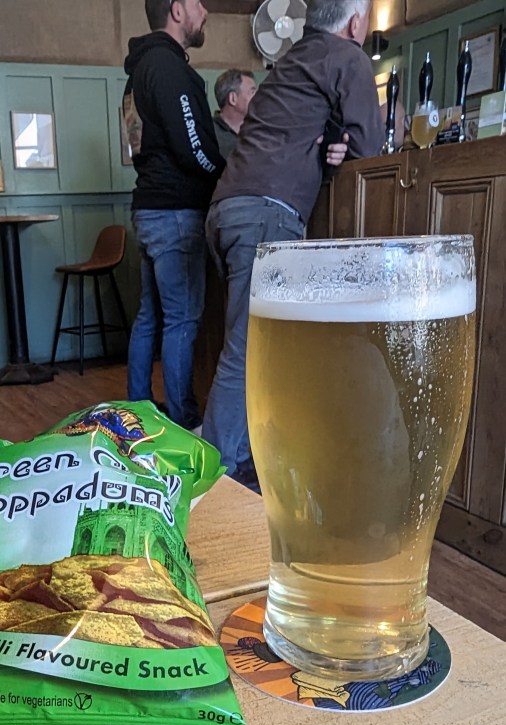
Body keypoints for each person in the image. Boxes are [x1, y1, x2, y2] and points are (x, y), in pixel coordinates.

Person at [202, 0, 384, 486]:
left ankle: (239, 459)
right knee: (247, 349)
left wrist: (334, 144)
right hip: (266, 213)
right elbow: (372, 147)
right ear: (356, 21)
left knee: (250, 345)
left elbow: (304, 132)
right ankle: (215, 480)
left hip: (227, 210)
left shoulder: (289, 62)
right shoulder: (346, 57)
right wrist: (347, 146)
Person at [123, 0, 225, 431]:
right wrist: (225, 175)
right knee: (181, 319)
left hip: (148, 208)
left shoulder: (138, 72)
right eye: (198, 2)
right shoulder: (168, 68)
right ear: (178, 9)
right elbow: (192, 148)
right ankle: (183, 423)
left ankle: (137, 413)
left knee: (150, 316)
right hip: (175, 213)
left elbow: (140, 146)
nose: (205, 11)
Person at [213, 69, 257, 158]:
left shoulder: (259, 130)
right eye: (252, 92)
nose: (258, 97)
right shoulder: (208, 135)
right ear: (233, 99)